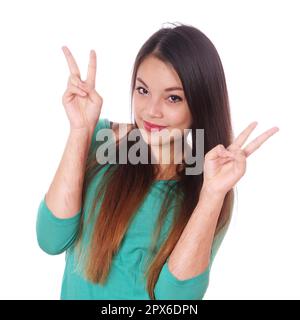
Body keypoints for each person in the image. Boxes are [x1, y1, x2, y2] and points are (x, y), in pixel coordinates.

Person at [36, 22, 279, 300]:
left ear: (200, 104)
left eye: (173, 98)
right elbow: (50, 240)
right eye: (142, 91)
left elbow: (175, 299)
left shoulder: (210, 185)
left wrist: (211, 195)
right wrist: (80, 131)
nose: (151, 111)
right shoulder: (103, 139)